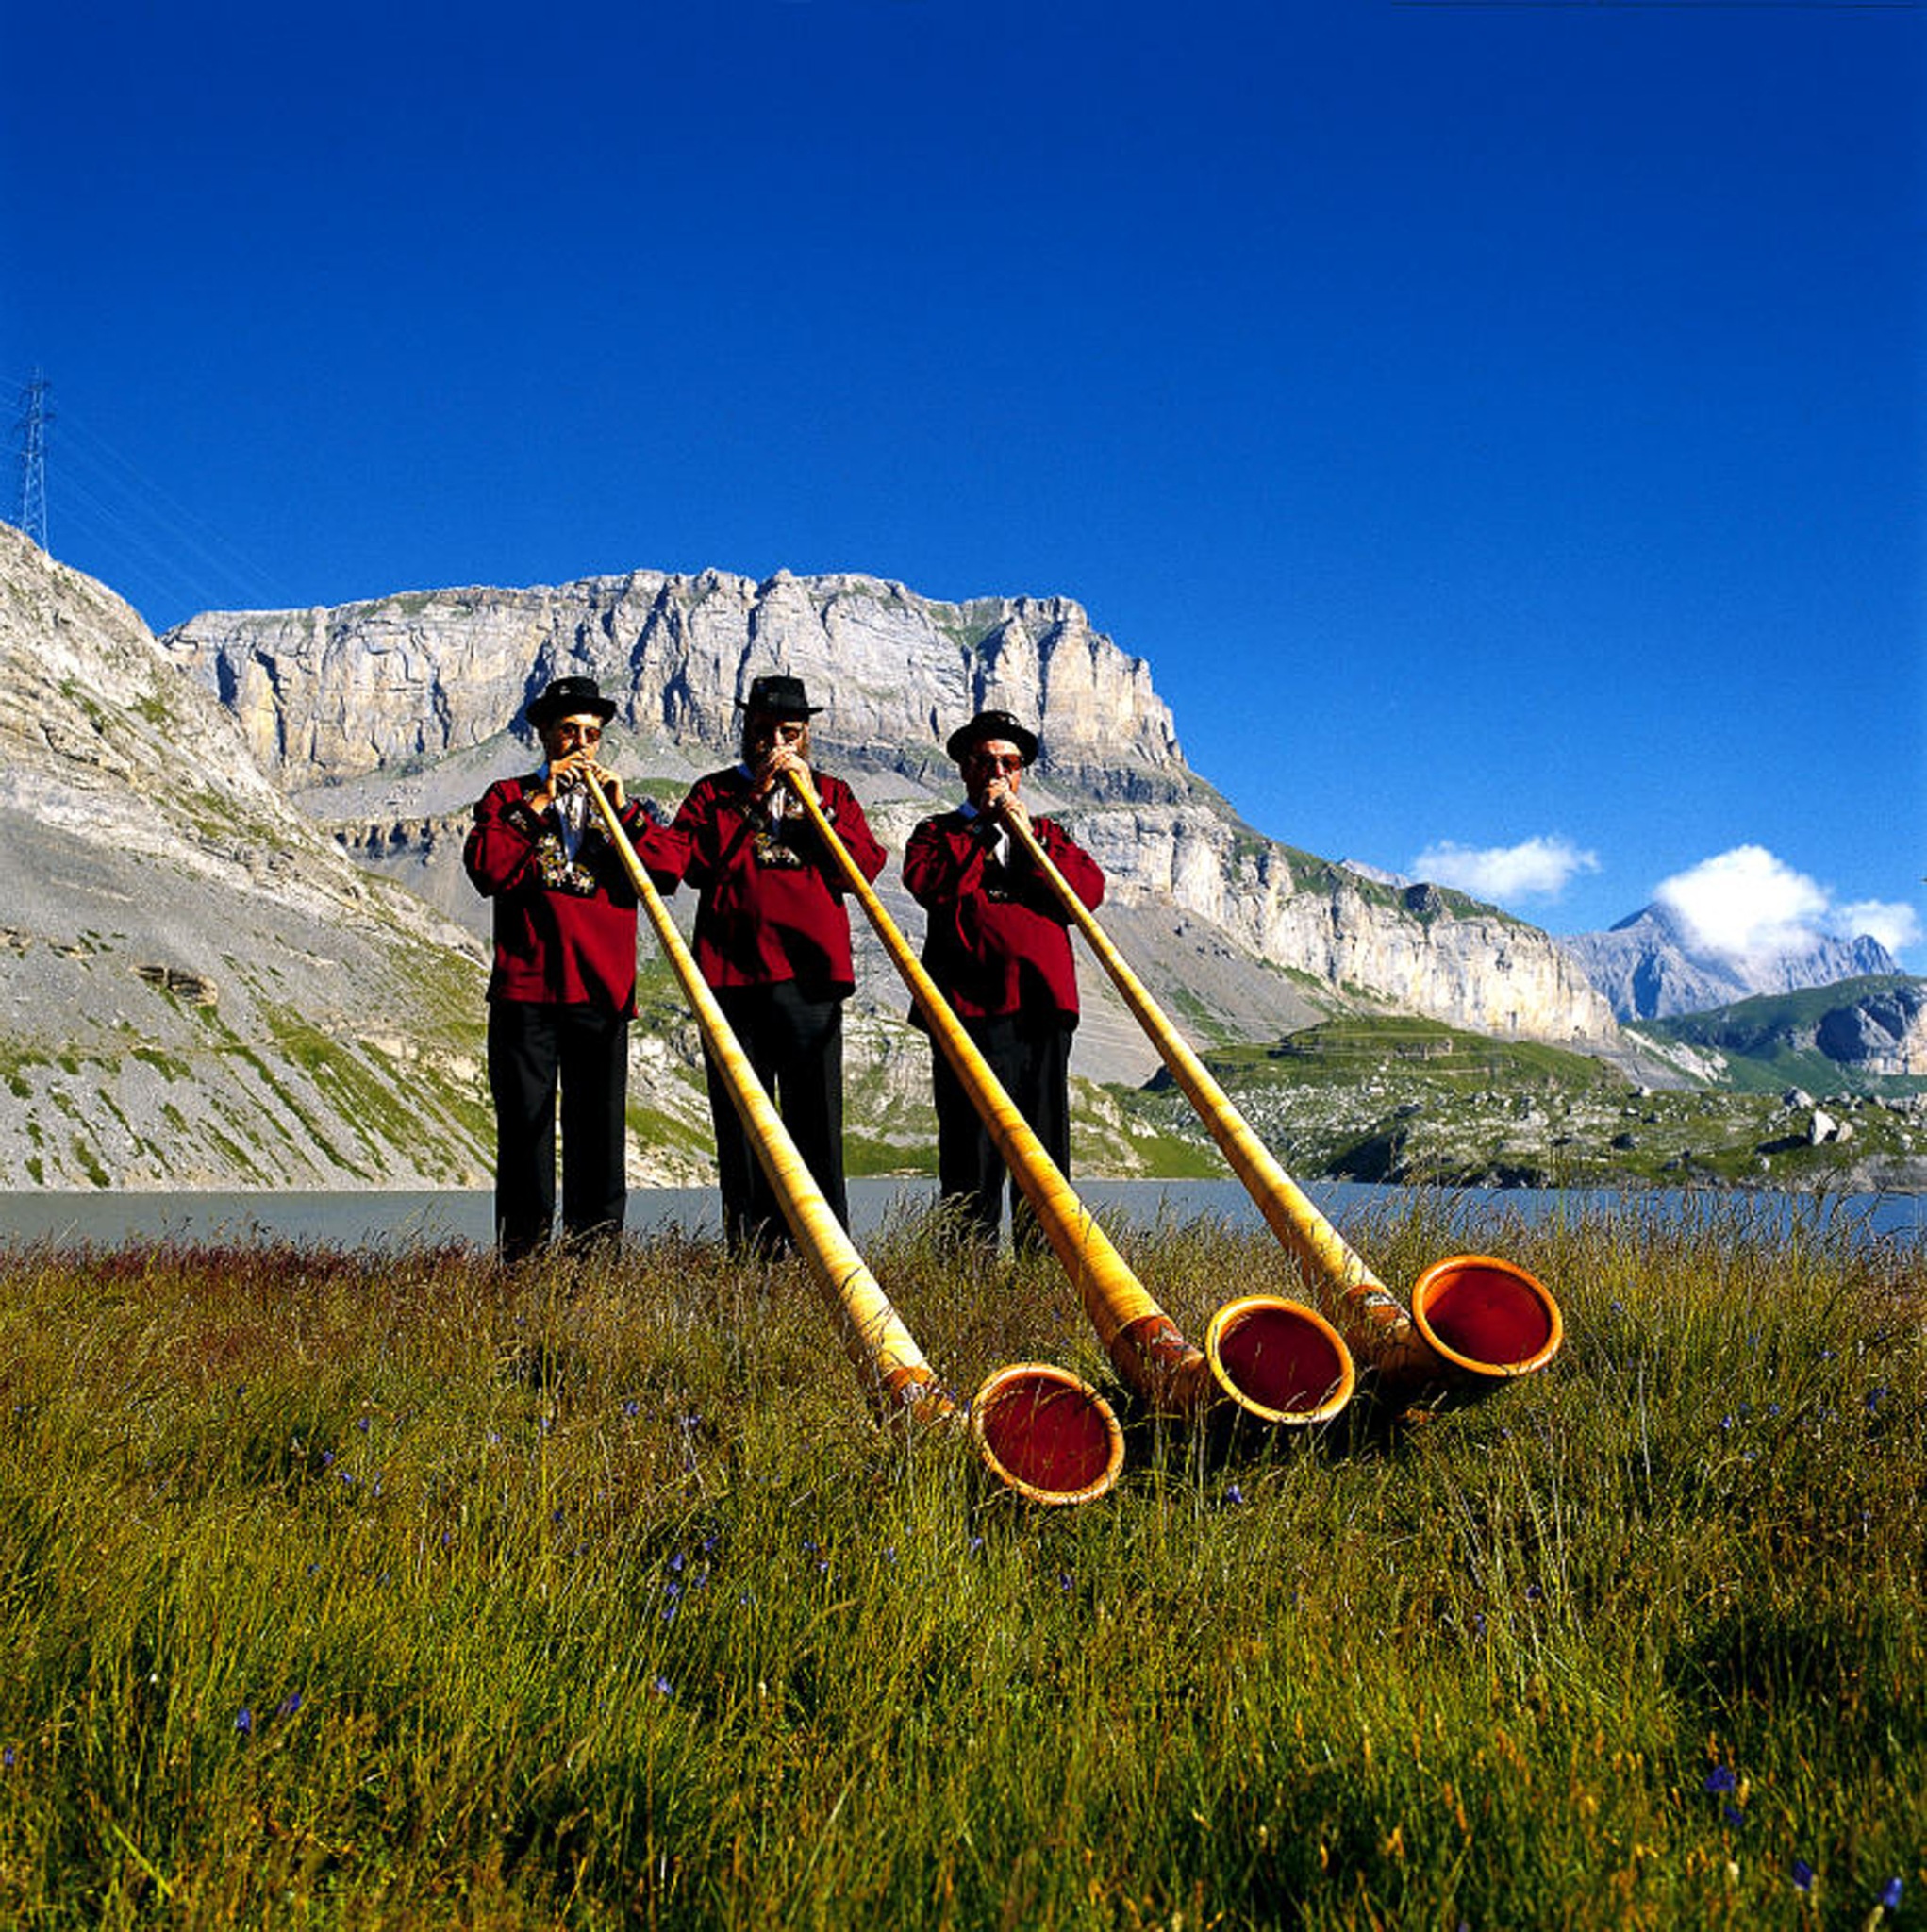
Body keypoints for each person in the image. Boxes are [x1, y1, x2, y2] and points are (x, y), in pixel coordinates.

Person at [463, 674, 682, 1261]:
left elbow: (668, 872)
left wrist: (624, 814)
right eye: (570, 732)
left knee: (598, 1136)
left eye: (592, 733)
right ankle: (522, 1261)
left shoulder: (619, 808)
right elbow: (486, 868)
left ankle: (595, 1264)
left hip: (601, 993)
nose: (582, 745)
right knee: (525, 1133)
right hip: (527, 993)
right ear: (545, 736)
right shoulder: (507, 796)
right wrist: (540, 804)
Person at [667, 674, 887, 1254]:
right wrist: (751, 799)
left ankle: (828, 1249)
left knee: (816, 1118)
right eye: (765, 732)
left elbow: (860, 870)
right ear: (748, 733)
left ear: (807, 734)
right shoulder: (713, 794)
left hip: (810, 980)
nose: (777, 744)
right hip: (732, 978)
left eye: (790, 732)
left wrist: (816, 809)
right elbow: (694, 865)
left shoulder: (833, 794)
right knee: (743, 1125)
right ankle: (752, 1250)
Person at [902, 708, 1105, 1254]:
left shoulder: (1047, 835)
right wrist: (982, 833)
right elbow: (932, 886)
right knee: (970, 1149)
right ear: (965, 768)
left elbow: (1085, 893)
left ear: (1021, 773)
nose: (997, 772)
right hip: (966, 1012)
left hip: (1041, 1008)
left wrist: (1023, 839)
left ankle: (1047, 1265)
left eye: (1009, 763)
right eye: (986, 761)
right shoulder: (936, 833)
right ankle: (968, 1273)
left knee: (1044, 1148)